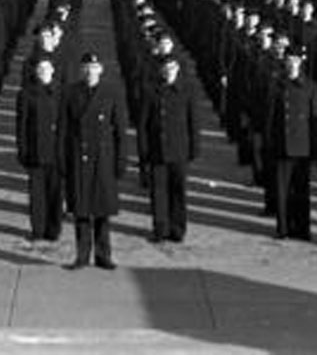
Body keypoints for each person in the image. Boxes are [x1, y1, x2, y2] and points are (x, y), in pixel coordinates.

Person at [62, 50, 127, 270]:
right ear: (81, 70)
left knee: (101, 210)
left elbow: (120, 130)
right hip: (80, 157)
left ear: (101, 70)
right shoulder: (71, 93)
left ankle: (103, 254)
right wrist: (63, 158)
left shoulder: (111, 93)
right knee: (81, 210)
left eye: (94, 68)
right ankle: (82, 255)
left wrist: (121, 160)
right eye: (86, 68)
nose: (90, 72)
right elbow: (64, 129)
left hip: (103, 158)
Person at [137, 55, 199, 244]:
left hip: (179, 149)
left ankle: (177, 228)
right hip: (158, 150)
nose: (169, 70)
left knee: (178, 191)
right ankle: (160, 228)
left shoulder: (186, 91)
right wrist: (143, 150)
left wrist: (194, 148)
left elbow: (193, 123)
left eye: (172, 67)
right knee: (159, 191)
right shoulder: (151, 91)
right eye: (166, 67)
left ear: (178, 69)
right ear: (161, 70)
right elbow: (143, 125)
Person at [263, 47, 317, 240]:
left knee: (302, 190)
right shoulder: (276, 85)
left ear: (301, 62)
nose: (293, 64)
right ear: (285, 62)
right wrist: (269, 142)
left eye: (296, 60)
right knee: (282, 190)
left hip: (303, 145)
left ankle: (303, 228)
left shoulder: (311, 86)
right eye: (289, 60)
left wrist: (316, 146)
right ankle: (284, 227)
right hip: (282, 143)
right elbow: (269, 117)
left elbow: (315, 120)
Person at [17, 55, 64, 242]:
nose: (44, 72)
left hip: (55, 151)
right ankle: (38, 229)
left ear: (53, 71)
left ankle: (53, 229)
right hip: (35, 151)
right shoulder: (26, 94)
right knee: (37, 195)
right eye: (40, 69)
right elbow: (21, 125)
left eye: (47, 69)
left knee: (55, 193)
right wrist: (22, 149)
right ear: (36, 72)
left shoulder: (61, 93)